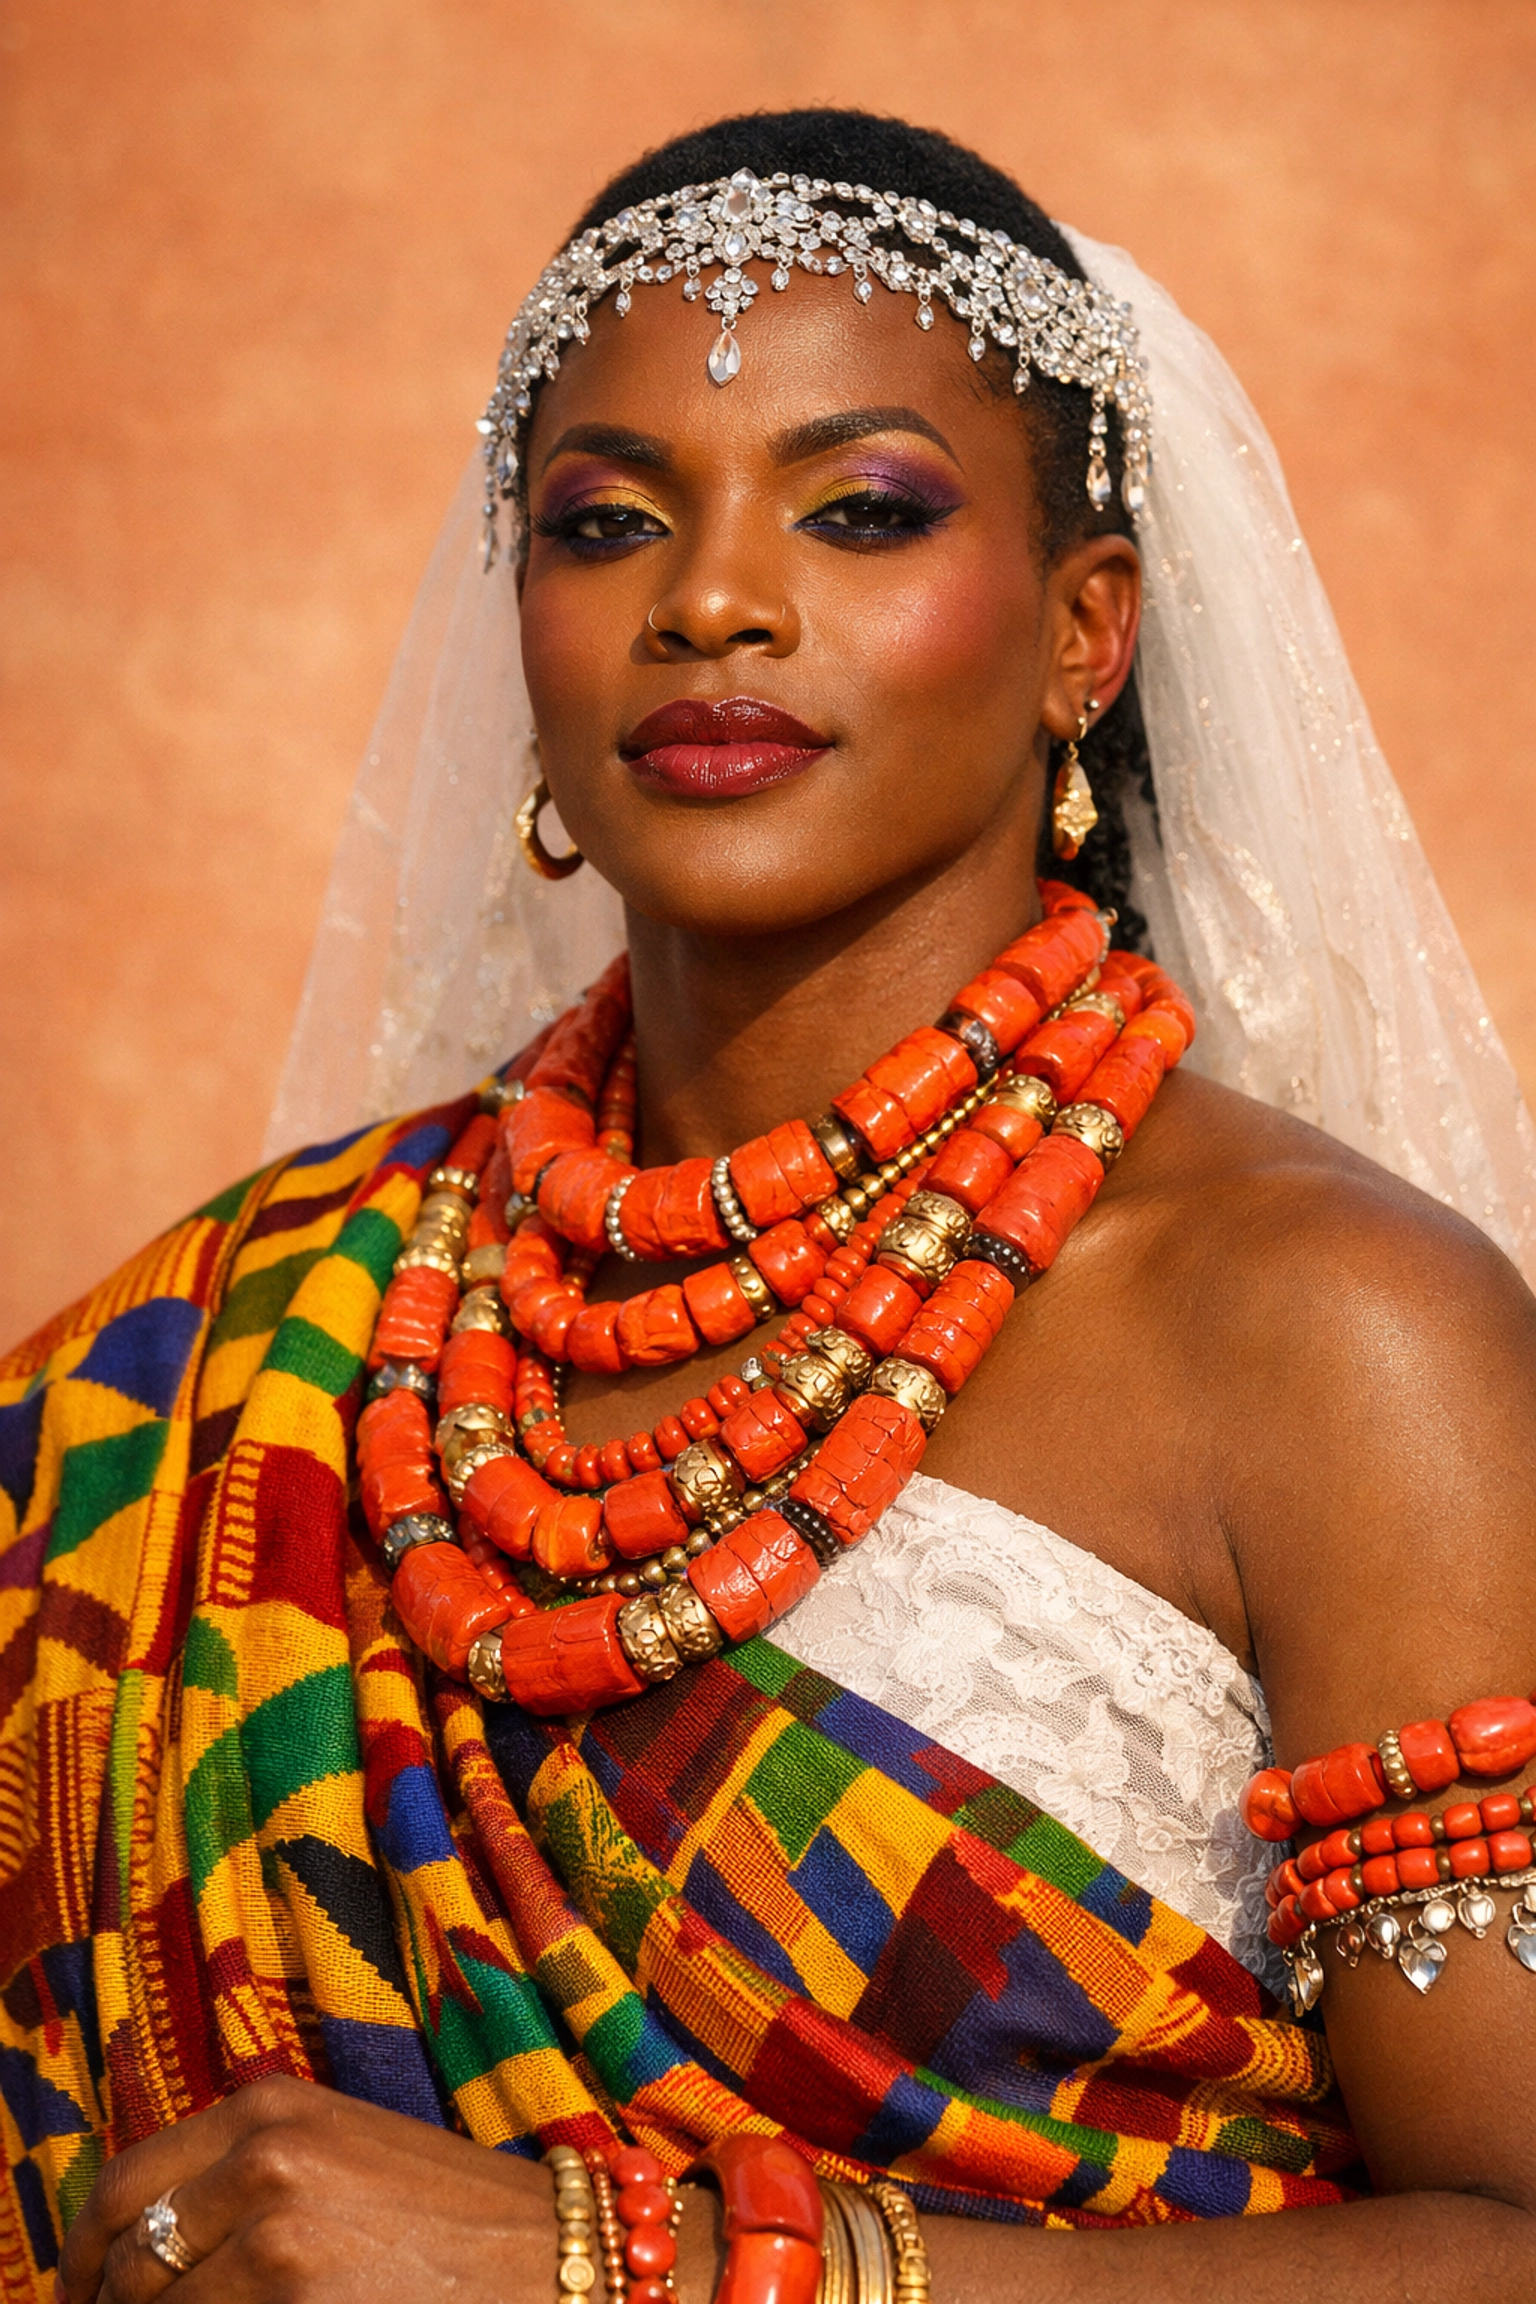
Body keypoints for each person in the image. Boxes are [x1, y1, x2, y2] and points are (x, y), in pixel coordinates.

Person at [3, 106, 1534, 2304]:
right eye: (607, 521)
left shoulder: (1334, 1336)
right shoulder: (266, 1332)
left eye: (862, 509)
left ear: (1085, 633)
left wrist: (611, 2265)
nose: (712, 601)